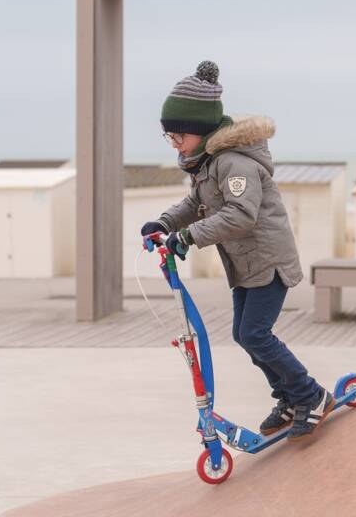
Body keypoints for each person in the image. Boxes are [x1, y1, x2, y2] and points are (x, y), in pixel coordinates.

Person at [140, 60, 334, 437]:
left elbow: (240, 215)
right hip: (247, 267)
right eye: (170, 137)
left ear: (202, 130)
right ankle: (289, 396)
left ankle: (311, 395)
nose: (176, 144)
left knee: (256, 334)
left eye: (180, 135)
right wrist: (165, 224)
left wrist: (189, 237)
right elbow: (194, 204)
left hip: (268, 263)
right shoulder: (206, 165)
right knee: (245, 334)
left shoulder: (235, 164)